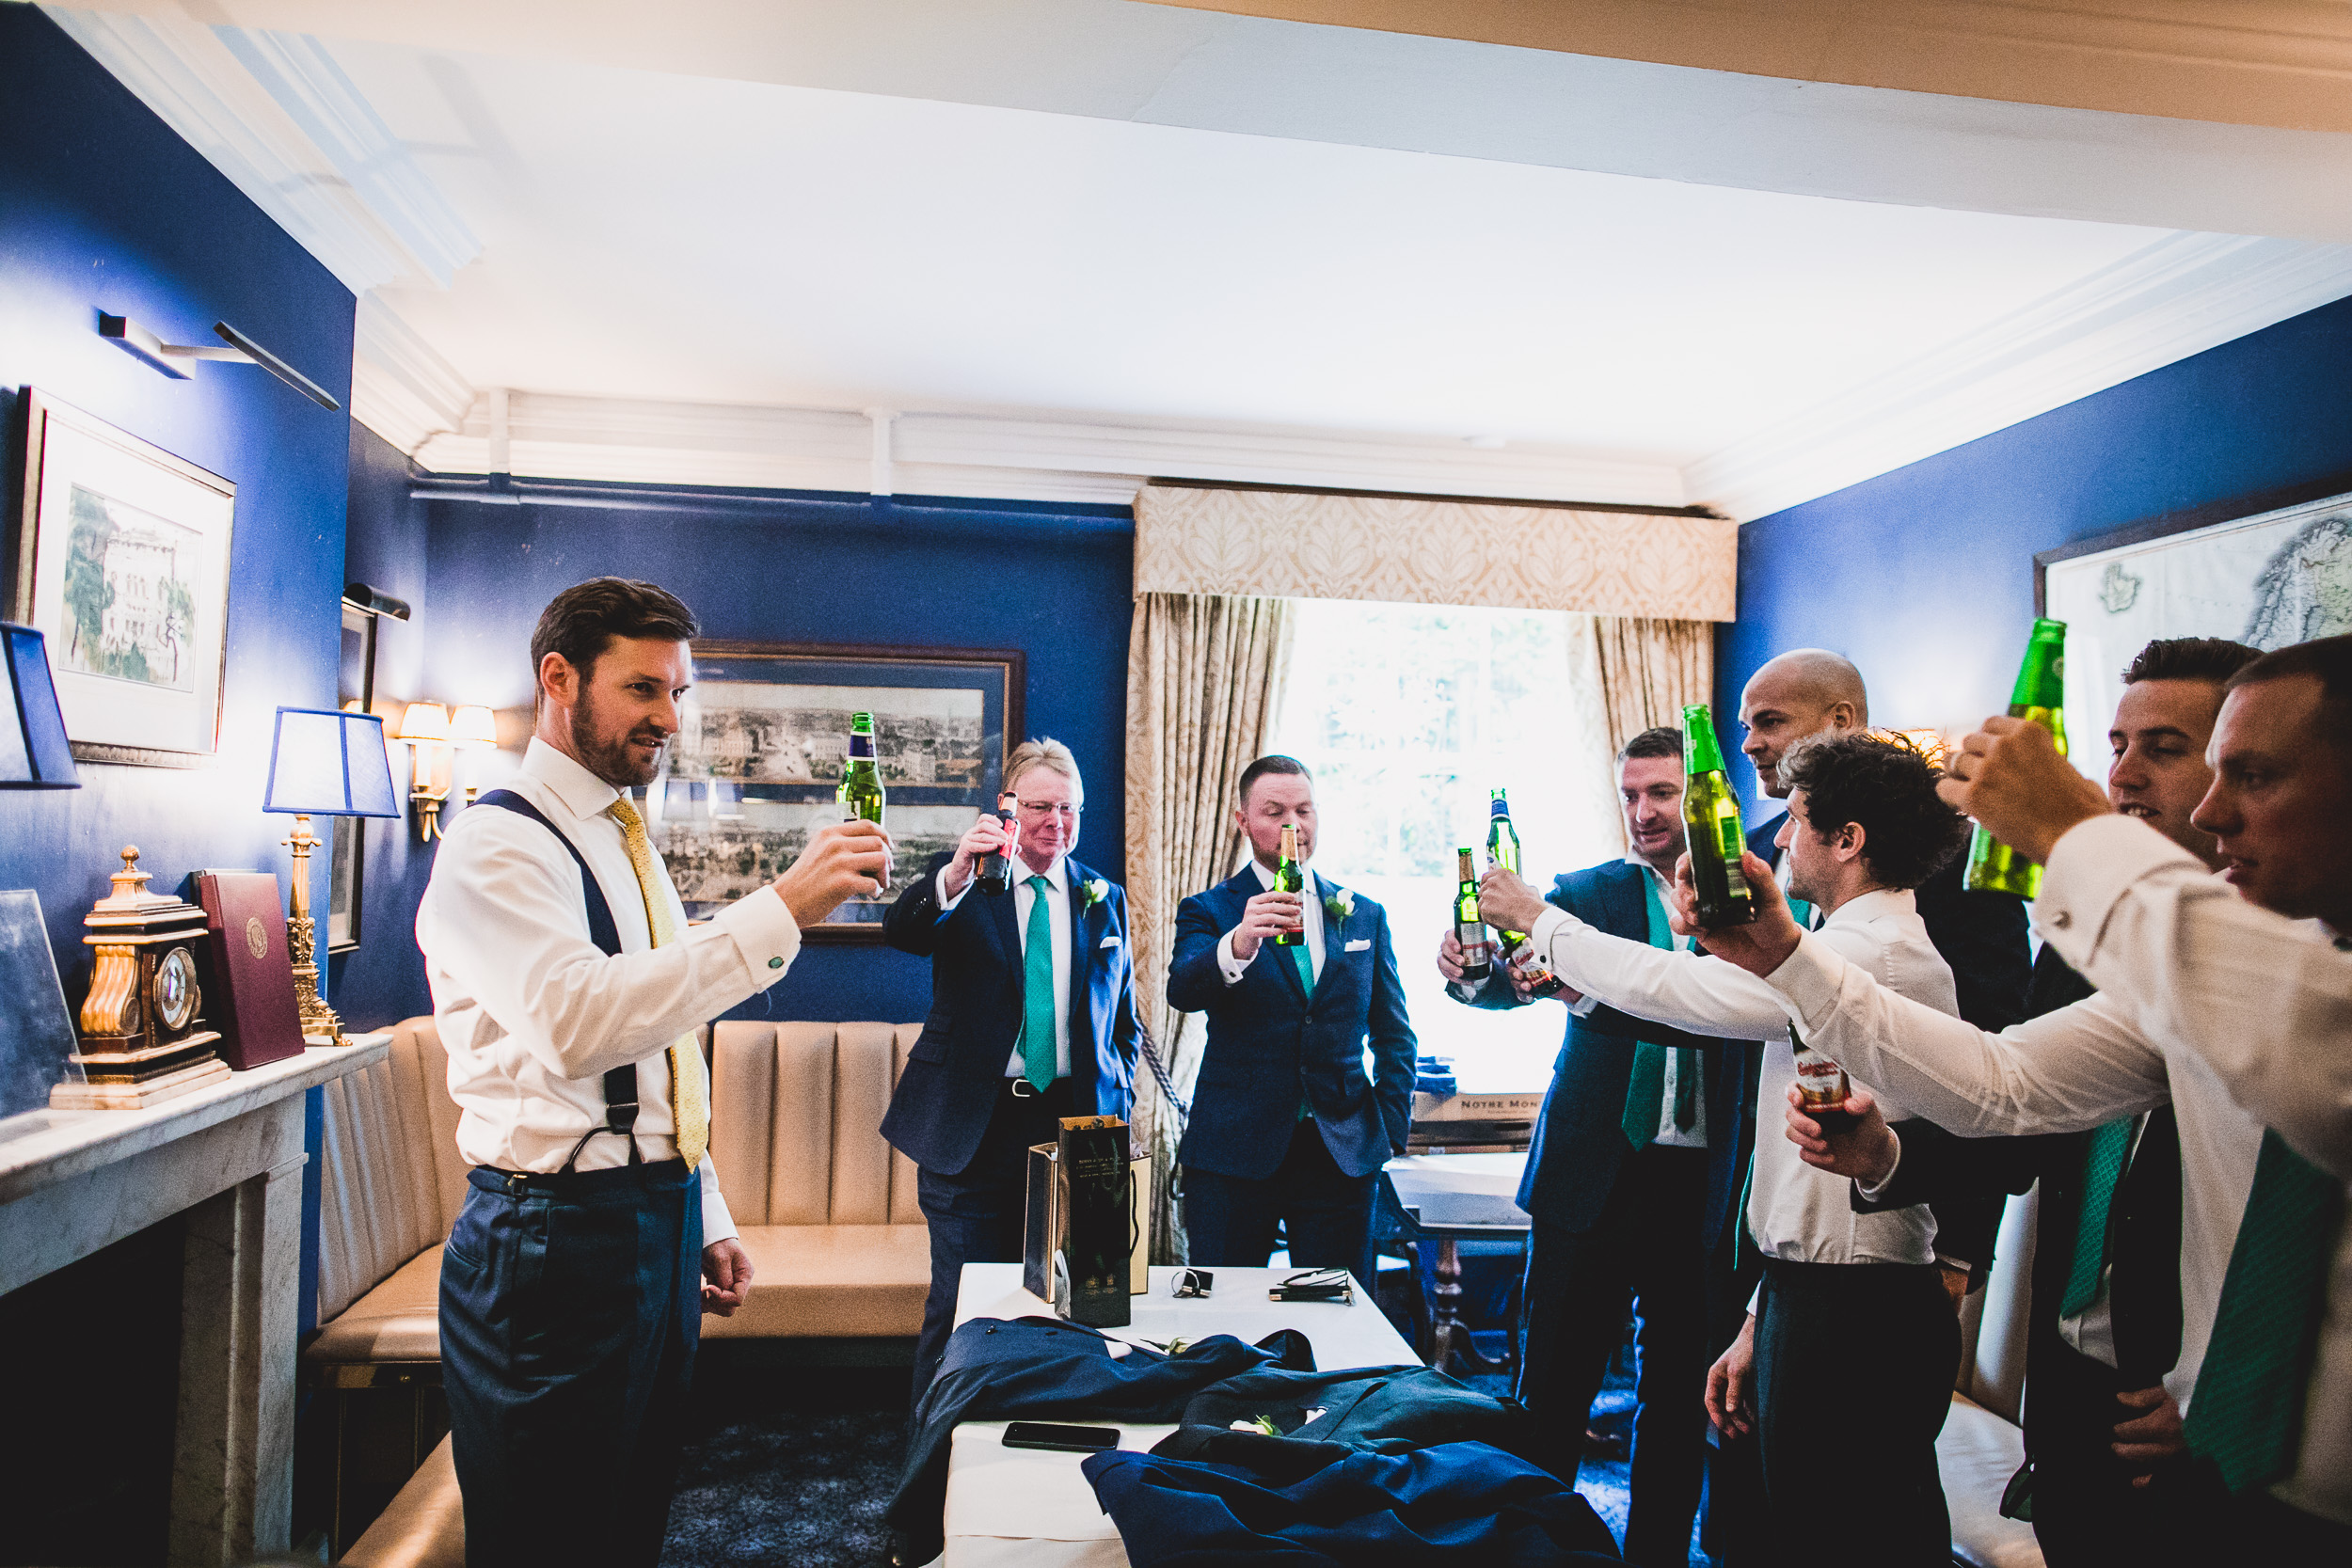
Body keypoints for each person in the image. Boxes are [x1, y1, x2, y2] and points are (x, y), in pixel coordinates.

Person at [1682, 635, 2352, 1554]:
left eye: (2254, 773)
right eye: (2117, 748)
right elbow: (2009, 1082)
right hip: (2151, 1437)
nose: (2211, 807)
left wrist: (2071, 827)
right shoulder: (2150, 975)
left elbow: (2306, 1057)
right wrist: (1786, 957)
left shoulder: (2289, 995)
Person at [419, 578, 893, 1568]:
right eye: (644, 689)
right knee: (548, 1536)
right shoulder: (495, 842)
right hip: (549, 1243)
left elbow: (663, 1045)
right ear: (559, 678)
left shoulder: (623, 837)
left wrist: (702, 1206)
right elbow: (578, 1023)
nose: (667, 718)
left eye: (678, 692)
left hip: (652, 1225)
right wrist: (785, 903)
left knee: (628, 1518)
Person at [1791, 636, 2255, 1567]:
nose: (2122, 770)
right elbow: (2016, 1097)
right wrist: (1887, 1153)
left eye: (2164, 746)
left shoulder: (2280, 968)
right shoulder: (2080, 947)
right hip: (2077, 1389)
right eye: (2115, 743)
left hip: (2212, 1408)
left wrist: (2234, 1395)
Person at [1481, 729, 1972, 1565]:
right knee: (1809, 1529)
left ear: (1848, 841)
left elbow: (1682, 989)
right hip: (1812, 1289)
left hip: (1858, 1308)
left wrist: (1537, 918)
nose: (1777, 836)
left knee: (1852, 1538)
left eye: (1798, 819)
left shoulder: (1865, 953)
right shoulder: (1843, 941)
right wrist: (1758, 1319)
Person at [1434, 726, 1756, 1561]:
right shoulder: (1584, 891)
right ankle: (1533, 1546)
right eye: (1630, 794)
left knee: (1680, 1393)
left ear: (1703, 798)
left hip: (1703, 1185)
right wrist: (1468, 973)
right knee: (1551, 1389)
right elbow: (1509, 982)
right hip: (1590, 1177)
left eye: (1661, 793)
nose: (1643, 812)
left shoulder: (1749, 895)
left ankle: (1653, 1550)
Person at [1737, 648, 2034, 1298]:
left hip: (1901, 1237)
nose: (1751, 743)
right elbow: (1734, 1015)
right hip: (1774, 1219)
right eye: (1747, 727)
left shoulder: (1952, 851)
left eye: (1769, 721)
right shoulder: (1761, 849)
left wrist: (1956, 1247)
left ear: (1841, 718)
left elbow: (1988, 1047)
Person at [881, 737, 1142, 1404]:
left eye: (1069, 808)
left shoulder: (1101, 896)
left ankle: (1074, 1448)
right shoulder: (969, 883)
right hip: (977, 1126)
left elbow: (1122, 1025)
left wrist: (1120, 1091)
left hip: (1085, 1128)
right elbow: (904, 930)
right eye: (1040, 807)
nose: (1056, 821)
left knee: (1095, 1306)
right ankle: (936, 1461)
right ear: (1008, 809)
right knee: (967, 1307)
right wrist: (955, 874)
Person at [1166, 754, 1416, 1283]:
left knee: (1338, 1322)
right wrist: (1238, 942)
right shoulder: (1209, 909)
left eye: (1304, 810)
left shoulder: (1363, 913)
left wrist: (1388, 1130)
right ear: (1243, 821)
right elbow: (1183, 990)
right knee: (1226, 1316)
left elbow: (1394, 1033)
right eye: (1274, 811)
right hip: (1234, 1152)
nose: (1292, 826)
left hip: (1341, 1153)